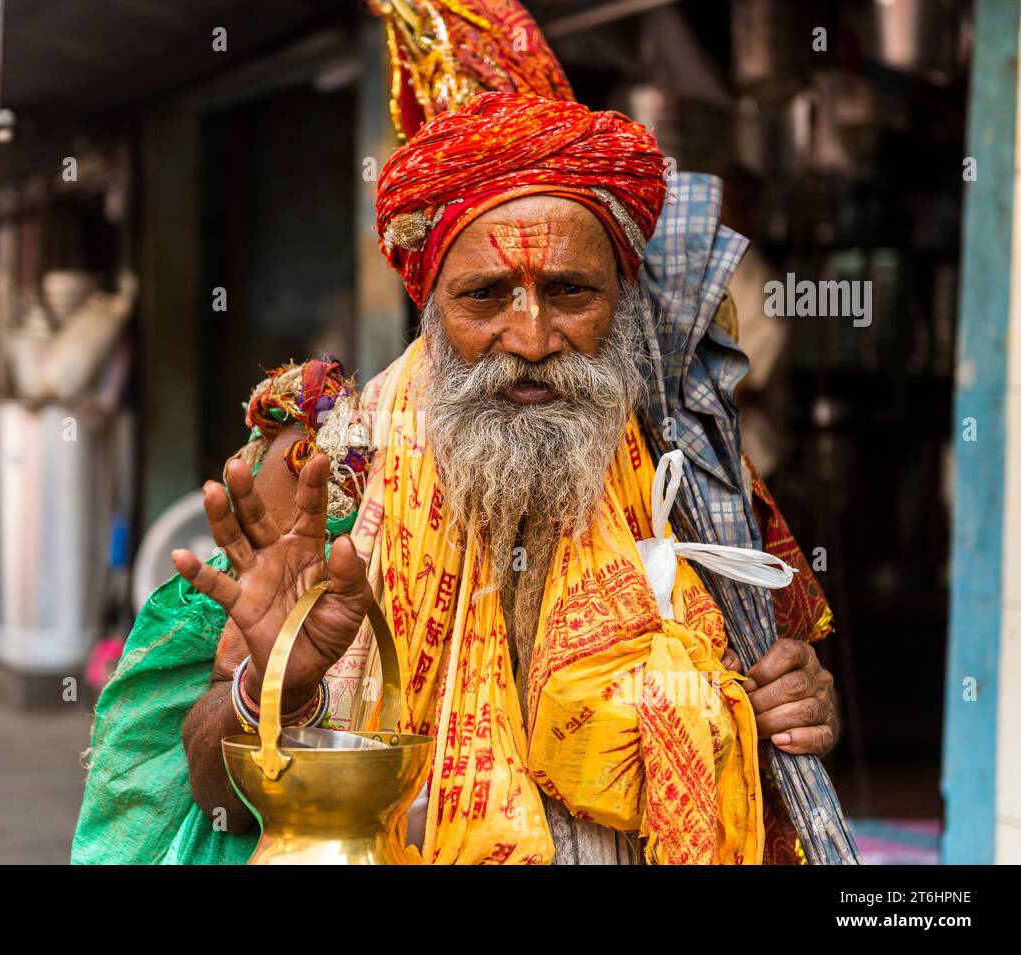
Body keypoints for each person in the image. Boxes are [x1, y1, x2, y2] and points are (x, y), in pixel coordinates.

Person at [72, 0, 840, 865]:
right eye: (485, 298)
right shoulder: (329, 466)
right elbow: (215, 793)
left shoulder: (687, 467)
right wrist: (270, 685)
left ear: (619, 304)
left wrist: (800, 702)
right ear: (431, 305)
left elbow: (789, 688)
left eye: (571, 293)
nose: (531, 338)